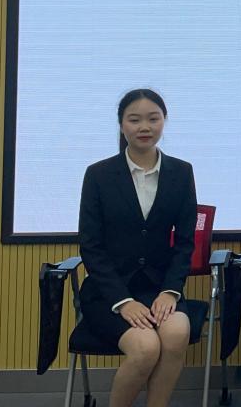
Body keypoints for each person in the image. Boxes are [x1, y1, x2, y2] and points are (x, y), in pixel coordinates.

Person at [78, 88, 198, 407]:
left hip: (159, 288)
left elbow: (185, 242)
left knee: (176, 334)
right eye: (134, 120)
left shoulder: (181, 172)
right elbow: (91, 246)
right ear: (121, 125)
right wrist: (123, 301)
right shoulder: (99, 175)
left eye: (153, 119)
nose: (144, 127)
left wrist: (171, 291)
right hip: (109, 293)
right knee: (145, 348)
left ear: (164, 121)